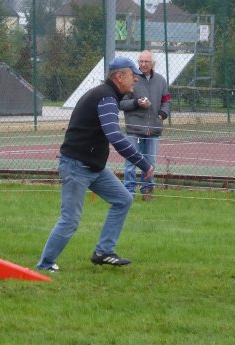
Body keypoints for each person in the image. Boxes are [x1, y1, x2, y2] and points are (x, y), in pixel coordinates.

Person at [36, 57, 154, 272]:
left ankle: (104, 252)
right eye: (132, 75)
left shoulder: (108, 95)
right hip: (77, 166)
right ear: (119, 77)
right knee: (70, 220)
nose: (135, 79)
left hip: (93, 167)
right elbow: (116, 137)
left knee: (123, 199)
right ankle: (44, 265)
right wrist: (144, 164)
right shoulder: (106, 97)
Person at [120, 50, 171, 201]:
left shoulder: (161, 81)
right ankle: (128, 192)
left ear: (152, 63)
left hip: (153, 129)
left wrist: (162, 115)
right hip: (134, 129)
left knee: (150, 163)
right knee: (130, 162)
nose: (143, 64)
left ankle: (147, 190)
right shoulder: (131, 80)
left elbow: (167, 100)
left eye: (146, 61)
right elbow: (121, 103)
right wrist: (137, 103)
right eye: (141, 61)